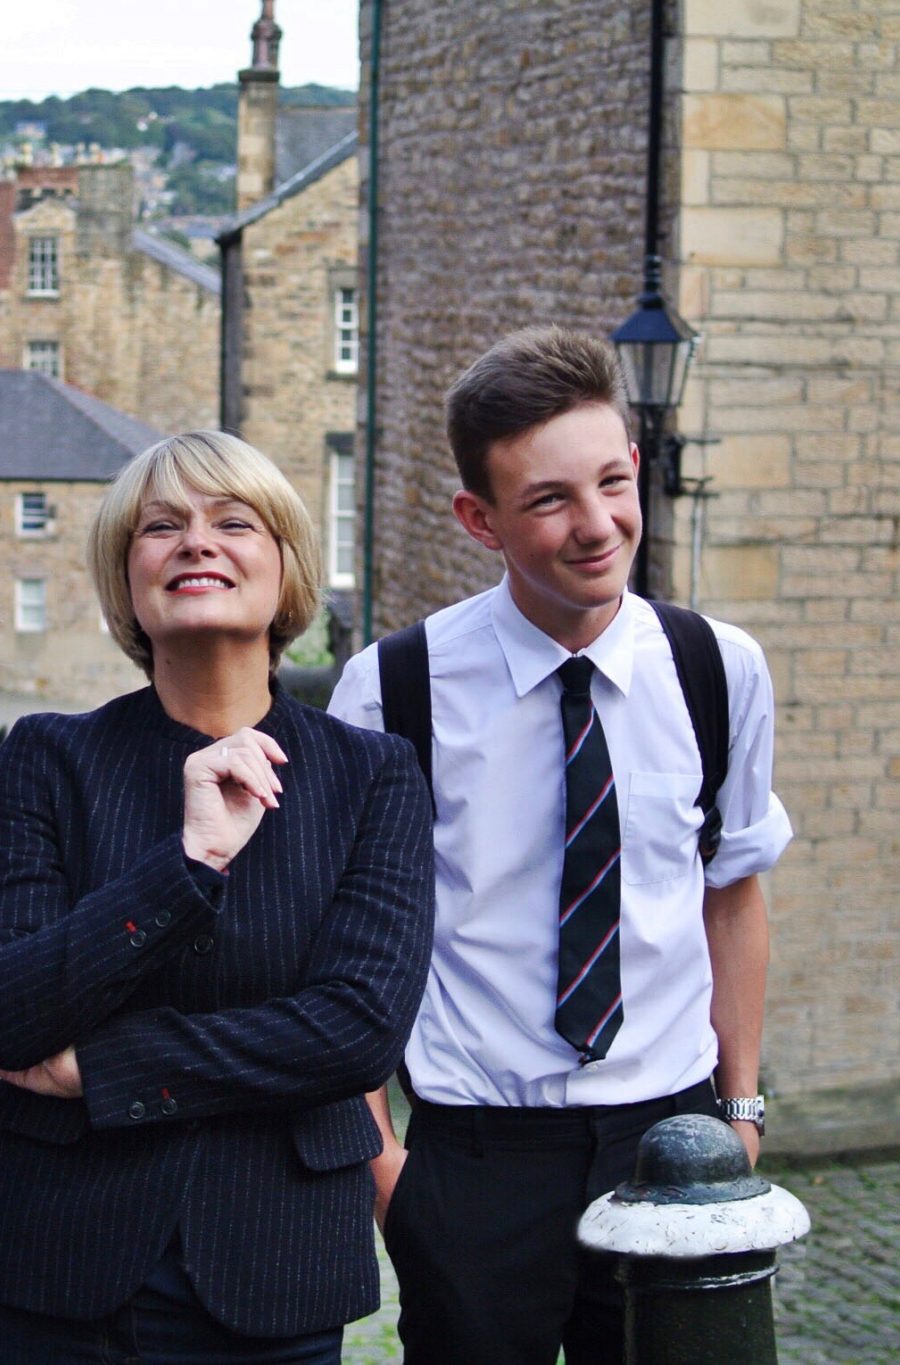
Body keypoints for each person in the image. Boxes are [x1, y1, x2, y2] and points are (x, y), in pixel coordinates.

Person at [328, 327, 792, 1365]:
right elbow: (345, 945)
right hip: (474, 1157)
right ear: (477, 520)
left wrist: (740, 1108)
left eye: (613, 482)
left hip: (669, 1139)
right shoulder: (392, 689)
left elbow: (731, 894)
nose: (597, 527)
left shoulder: (719, 670)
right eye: (548, 500)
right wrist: (389, 1169)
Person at [0, 431, 434, 1363]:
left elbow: (356, 1028)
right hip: (51, 1267)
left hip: (273, 1269)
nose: (196, 542)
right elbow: (0, 1010)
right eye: (160, 526)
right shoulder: (47, 759)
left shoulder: (374, 775)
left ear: (285, 569)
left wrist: (102, 1066)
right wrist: (188, 859)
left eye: (234, 522)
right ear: (127, 580)